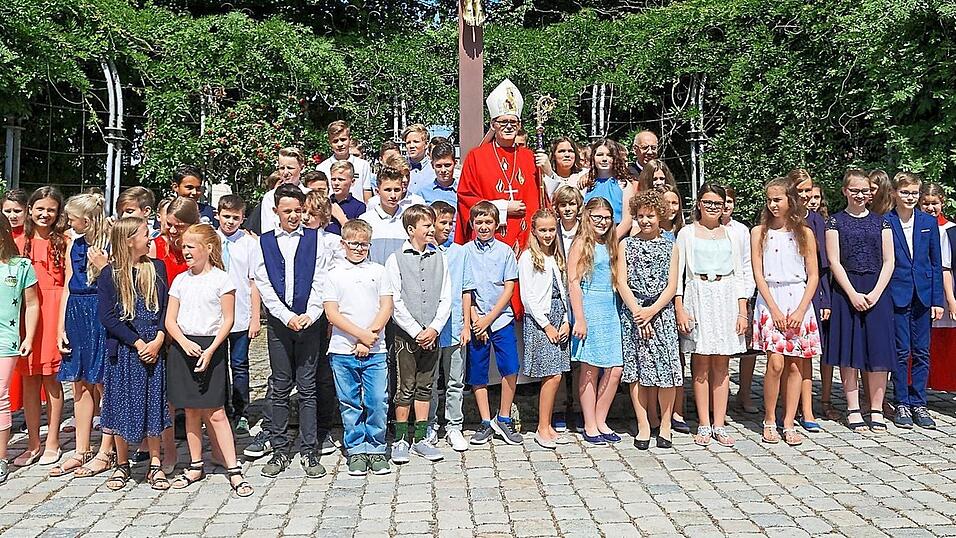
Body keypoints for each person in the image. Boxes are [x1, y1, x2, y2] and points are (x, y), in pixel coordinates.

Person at [164, 224, 252, 496]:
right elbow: (170, 319)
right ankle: (195, 463)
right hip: (184, 347)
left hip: (210, 347)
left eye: (191, 246)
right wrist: (183, 342)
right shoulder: (180, 280)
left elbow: (228, 319)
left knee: (215, 412)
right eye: (184, 246)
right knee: (190, 410)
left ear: (208, 249)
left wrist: (211, 349)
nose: (185, 250)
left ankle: (233, 468)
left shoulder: (222, 280)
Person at [252, 184, 333, 478]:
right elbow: (264, 284)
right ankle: (279, 448)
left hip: (309, 322)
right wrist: (286, 317)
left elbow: (321, 279)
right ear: (276, 212)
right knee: (280, 386)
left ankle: (310, 450)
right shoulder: (263, 243)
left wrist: (310, 314)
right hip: (280, 324)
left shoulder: (317, 240)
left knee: (308, 387)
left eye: (298, 211)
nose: (294, 216)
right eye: (287, 211)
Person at [674, 184, 753, 447]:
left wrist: (742, 310)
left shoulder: (733, 234)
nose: (712, 208)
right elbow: (678, 274)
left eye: (717, 204)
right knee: (701, 363)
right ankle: (704, 424)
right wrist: (680, 307)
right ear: (699, 204)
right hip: (698, 293)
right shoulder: (686, 233)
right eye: (707, 202)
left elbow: (742, 272)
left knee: (722, 364)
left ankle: (719, 422)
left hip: (726, 294)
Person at [97, 217, 169, 491]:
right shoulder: (111, 274)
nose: (149, 237)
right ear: (129, 240)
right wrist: (138, 344)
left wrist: (159, 338)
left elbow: (164, 310)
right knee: (120, 404)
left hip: (154, 346)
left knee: (152, 403)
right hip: (126, 351)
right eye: (143, 234)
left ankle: (155, 463)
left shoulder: (157, 268)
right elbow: (109, 317)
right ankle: (122, 464)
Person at [751, 178, 822, 447]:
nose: (772, 205)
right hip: (771, 299)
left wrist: (802, 308)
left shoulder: (804, 233)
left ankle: (790, 420)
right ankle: (770, 418)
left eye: (777, 199)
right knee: (776, 362)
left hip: (798, 298)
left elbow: (813, 275)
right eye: (769, 200)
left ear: (790, 200)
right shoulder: (759, 232)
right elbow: (758, 274)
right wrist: (774, 309)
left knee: (795, 364)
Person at [824, 169, 895, 433]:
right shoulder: (835, 222)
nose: (860, 195)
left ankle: (876, 409)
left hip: (877, 290)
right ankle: (853, 408)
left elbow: (889, 261)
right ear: (845, 191)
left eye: (864, 190)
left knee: (878, 351)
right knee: (849, 350)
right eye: (854, 190)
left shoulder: (882, 223)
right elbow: (834, 261)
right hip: (847, 292)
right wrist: (852, 293)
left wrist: (875, 293)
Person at [323, 219, 394, 476]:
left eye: (364, 244)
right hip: (343, 349)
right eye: (353, 244)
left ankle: (376, 447)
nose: (359, 248)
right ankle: (356, 449)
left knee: (376, 400)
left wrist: (370, 336)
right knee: (350, 401)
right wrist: (359, 336)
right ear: (343, 244)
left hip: (375, 349)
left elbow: (386, 306)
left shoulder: (378, 271)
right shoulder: (333, 275)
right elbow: (332, 313)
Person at [384, 205, 451, 463]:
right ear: (412, 230)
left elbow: (446, 296)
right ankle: (401, 438)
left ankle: (421, 437)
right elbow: (395, 300)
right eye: (426, 225)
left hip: (432, 334)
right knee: (405, 387)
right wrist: (415, 330)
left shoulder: (440, 257)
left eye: (432, 225)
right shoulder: (396, 259)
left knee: (425, 386)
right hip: (406, 336)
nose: (432, 229)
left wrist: (433, 328)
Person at [49, 194, 109, 477]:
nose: (68, 222)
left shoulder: (110, 243)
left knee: (103, 384)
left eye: (72, 218)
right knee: (80, 384)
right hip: (76, 312)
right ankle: (80, 449)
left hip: (101, 312)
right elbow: (67, 287)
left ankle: (106, 450)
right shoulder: (74, 243)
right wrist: (61, 326)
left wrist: (102, 265)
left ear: (87, 219)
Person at [456, 79, 542, 256]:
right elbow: (465, 198)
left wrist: (547, 171)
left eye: (513, 122)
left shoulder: (529, 157)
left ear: (519, 125)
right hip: (490, 240)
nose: (509, 126)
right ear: (493, 124)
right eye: (503, 122)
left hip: (526, 240)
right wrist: (503, 208)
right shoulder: (477, 157)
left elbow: (543, 198)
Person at [14, 187, 67, 467]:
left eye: (51, 209)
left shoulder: (64, 241)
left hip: (54, 310)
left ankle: (53, 440)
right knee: (29, 379)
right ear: (30, 209)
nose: (45, 214)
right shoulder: (18, 242)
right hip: (26, 313)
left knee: (52, 379)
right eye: (40, 208)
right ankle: (33, 442)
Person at [885, 172, 943, 429]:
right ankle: (902, 403)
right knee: (900, 351)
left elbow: (935, 263)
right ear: (895, 193)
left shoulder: (927, 222)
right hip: (896, 294)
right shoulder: (886, 222)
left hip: (923, 294)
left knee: (921, 351)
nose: (910, 197)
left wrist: (937, 300)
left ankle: (919, 402)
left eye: (914, 193)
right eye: (906, 192)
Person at [462, 201, 522, 446]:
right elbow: (466, 289)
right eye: (479, 222)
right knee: (478, 371)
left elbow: (508, 289)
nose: (484, 226)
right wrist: (477, 320)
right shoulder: (465, 251)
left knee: (510, 366)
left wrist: (490, 319)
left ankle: (504, 416)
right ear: (472, 224)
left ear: (496, 225)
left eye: (488, 222)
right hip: (477, 320)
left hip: (500, 319)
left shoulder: (505, 251)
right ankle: (485, 420)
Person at [569, 197, 624, 446]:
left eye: (606, 217)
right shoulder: (581, 243)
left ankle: (601, 419)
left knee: (615, 369)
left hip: (611, 308)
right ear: (587, 217)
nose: (602, 222)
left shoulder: (612, 243)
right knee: (590, 368)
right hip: (590, 307)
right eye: (597, 217)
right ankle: (590, 423)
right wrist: (579, 317)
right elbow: (573, 283)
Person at [518, 209, 571, 449]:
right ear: (534, 231)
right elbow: (527, 297)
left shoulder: (557, 256)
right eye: (543, 230)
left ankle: (548, 424)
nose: (548, 234)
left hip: (560, 315)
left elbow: (565, 291)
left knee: (557, 372)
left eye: (551, 230)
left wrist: (567, 320)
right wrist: (547, 325)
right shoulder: (528, 257)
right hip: (543, 319)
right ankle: (542, 426)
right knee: (552, 374)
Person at [787, 169, 833, 425]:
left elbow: (823, 266)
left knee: (806, 356)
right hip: (784, 293)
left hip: (810, 293)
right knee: (783, 358)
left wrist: (824, 300)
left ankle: (808, 410)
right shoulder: (779, 218)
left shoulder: (815, 220)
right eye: (800, 190)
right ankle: (787, 409)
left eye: (808, 191)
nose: (805, 195)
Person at [426, 201, 470, 452]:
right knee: (430, 381)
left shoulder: (460, 252)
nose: (448, 227)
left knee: (455, 380)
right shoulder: (425, 251)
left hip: (454, 326)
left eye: (451, 223)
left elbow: (465, 289)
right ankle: (430, 424)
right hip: (431, 327)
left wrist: (465, 324)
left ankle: (454, 425)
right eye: (443, 223)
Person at [216, 195, 262, 434]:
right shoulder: (210, 240)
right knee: (218, 364)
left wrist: (255, 317)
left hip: (241, 313)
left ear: (243, 218)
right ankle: (220, 408)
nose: (230, 222)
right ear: (218, 215)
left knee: (240, 364)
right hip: (215, 317)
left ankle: (242, 411)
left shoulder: (249, 244)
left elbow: (254, 282)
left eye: (236, 217)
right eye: (226, 216)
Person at [0, 217, 39, 483]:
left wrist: (29, 336)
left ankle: (1, 457)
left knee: (0, 396)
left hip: (6, 339)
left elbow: (32, 304)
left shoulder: (21, 266)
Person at [923, 183, 956, 392]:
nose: (930, 207)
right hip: (923, 287)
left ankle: (947, 382)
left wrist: (951, 298)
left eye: (934, 203)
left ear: (942, 202)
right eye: (925, 203)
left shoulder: (951, 229)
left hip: (947, 289)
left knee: (947, 338)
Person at [360, 166, 413, 265]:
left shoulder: (409, 219)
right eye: (388, 190)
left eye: (397, 190)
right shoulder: (365, 220)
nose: (393, 195)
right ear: (377, 192)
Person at [414, 142, 459, 244]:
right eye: (438, 166)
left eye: (447, 165)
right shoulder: (422, 194)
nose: (443, 170)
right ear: (432, 165)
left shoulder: (462, 192)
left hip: (457, 249)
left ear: (455, 163)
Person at [258, 148, 309, 235]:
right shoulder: (270, 197)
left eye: (290, 168)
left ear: (302, 168)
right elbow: (267, 229)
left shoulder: (310, 195)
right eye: (282, 168)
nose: (285, 172)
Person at [318, 121, 372, 201]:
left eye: (343, 139)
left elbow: (367, 192)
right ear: (330, 143)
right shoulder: (321, 168)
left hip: (357, 211)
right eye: (335, 141)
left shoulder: (363, 165)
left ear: (350, 140)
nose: (340, 144)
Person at [581, 139, 629, 224]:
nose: (604, 159)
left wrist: (613, 237)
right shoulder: (585, 183)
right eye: (599, 155)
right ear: (593, 157)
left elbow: (627, 221)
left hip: (616, 234)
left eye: (609, 155)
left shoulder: (624, 185)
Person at [327, 160, 367, 236]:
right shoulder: (325, 203)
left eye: (341, 179)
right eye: (333, 179)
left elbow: (358, 235)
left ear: (352, 182)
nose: (336, 183)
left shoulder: (359, 207)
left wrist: (341, 218)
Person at [401, 124, 436, 195]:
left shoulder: (435, 169)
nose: (411, 146)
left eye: (416, 142)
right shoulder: (399, 168)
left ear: (426, 144)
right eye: (408, 143)